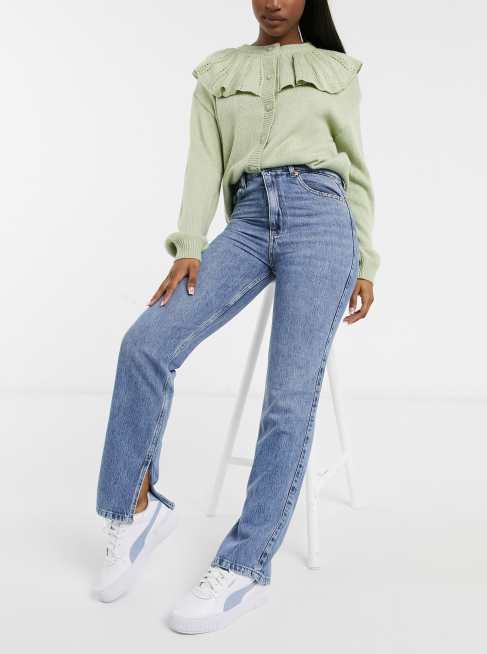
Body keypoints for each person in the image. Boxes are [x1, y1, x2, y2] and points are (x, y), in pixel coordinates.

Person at [92, 0, 381, 635]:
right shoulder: (218, 74)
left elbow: (356, 171)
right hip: (248, 223)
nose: (273, 1)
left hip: (322, 220)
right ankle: (135, 508)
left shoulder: (335, 70)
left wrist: (367, 261)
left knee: (287, 399)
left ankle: (245, 565)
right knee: (145, 343)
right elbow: (202, 164)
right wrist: (190, 245)